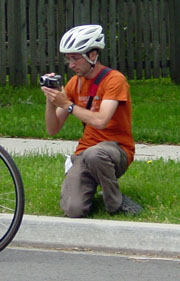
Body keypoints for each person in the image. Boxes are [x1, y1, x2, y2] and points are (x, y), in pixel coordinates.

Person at [40, 24, 142, 218]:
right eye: (68, 58)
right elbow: (52, 129)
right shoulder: (74, 83)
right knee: (73, 210)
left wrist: (68, 105)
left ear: (93, 56)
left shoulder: (114, 80)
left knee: (95, 154)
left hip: (115, 151)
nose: (71, 64)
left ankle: (116, 203)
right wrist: (51, 100)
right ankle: (96, 190)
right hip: (84, 154)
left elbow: (101, 120)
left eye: (76, 58)